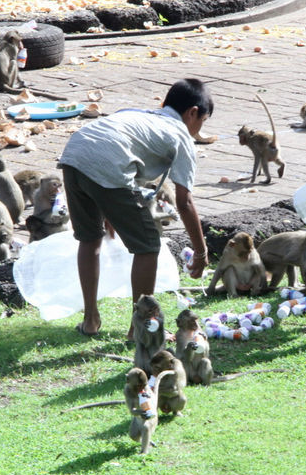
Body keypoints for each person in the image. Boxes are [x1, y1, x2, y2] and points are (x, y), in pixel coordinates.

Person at [58, 78, 212, 338]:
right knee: (148, 246)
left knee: (90, 238)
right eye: (202, 122)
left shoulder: (136, 113)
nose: (198, 130)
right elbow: (184, 202)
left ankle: (90, 320)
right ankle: (140, 328)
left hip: (74, 155)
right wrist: (200, 251)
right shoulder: (181, 135)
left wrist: (110, 208)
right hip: (106, 165)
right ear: (193, 113)